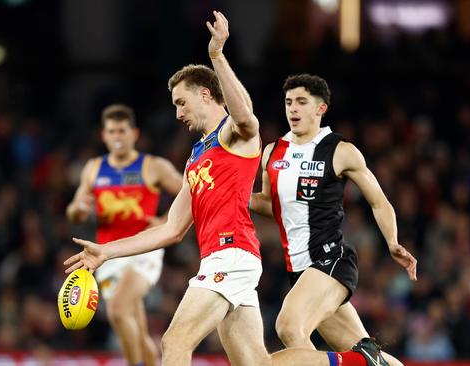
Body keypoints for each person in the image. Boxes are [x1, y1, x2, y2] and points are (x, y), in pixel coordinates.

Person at [65, 11, 388, 366]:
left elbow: (248, 118)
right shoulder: (195, 159)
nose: (177, 114)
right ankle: (360, 361)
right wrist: (105, 252)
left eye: (181, 102)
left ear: (205, 94)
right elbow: (171, 229)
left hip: (230, 255)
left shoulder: (231, 134)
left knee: (174, 343)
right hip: (227, 259)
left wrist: (217, 56)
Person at [249, 73, 418, 366]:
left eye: (302, 102)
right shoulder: (272, 152)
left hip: (331, 261)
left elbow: (379, 201)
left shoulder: (341, 151)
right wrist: (235, 197)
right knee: (368, 356)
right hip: (300, 272)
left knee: (289, 327)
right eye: (289, 102)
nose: (293, 109)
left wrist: (392, 241)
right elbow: (270, 204)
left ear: (321, 108)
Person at [66, 104, 183, 366]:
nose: (117, 136)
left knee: (118, 310)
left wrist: (165, 220)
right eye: (111, 131)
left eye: (122, 130)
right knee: (136, 331)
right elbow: (74, 210)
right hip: (106, 255)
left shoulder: (153, 167)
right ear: (104, 136)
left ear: (134, 134)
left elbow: (193, 193)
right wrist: (78, 209)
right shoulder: (93, 169)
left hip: (144, 249)